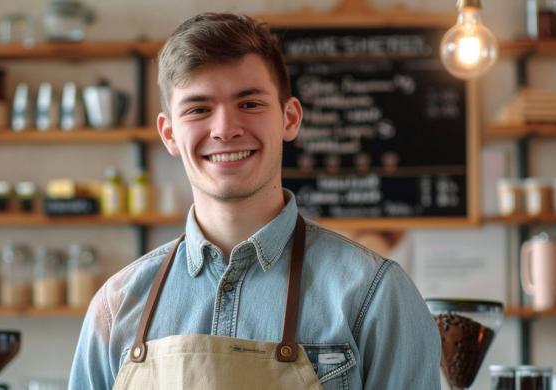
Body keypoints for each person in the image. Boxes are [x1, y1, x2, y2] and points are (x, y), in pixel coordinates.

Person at [68, 13, 440, 389]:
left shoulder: (374, 295)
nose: (226, 129)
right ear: (169, 134)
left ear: (290, 118)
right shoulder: (117, 306)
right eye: (198, 109)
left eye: (249, 104)